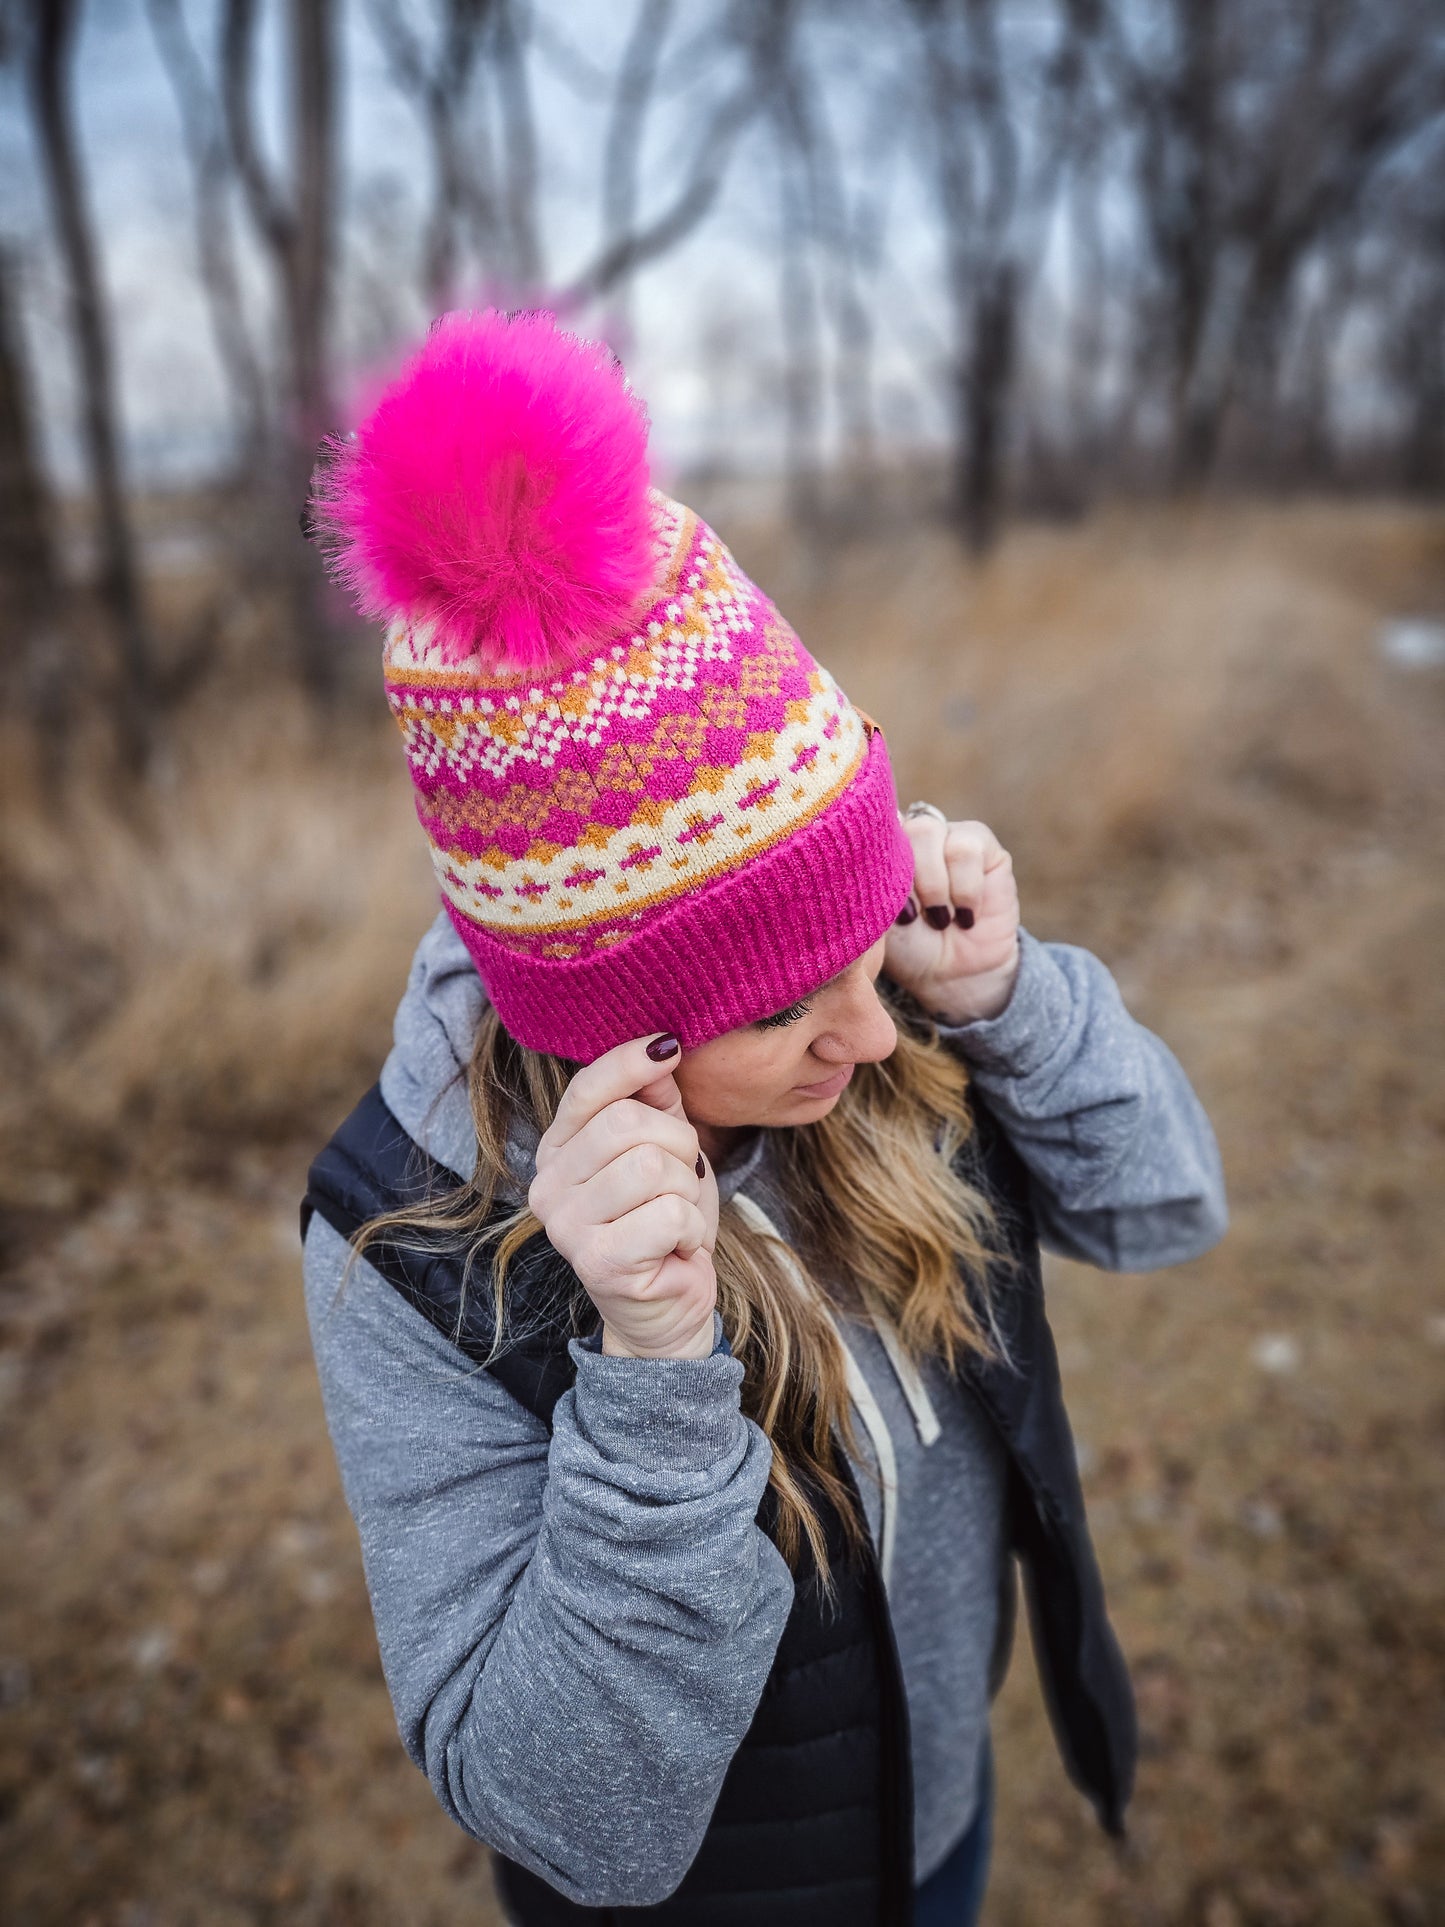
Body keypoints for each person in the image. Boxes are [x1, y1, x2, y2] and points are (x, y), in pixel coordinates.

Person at [298, 309, 1228, 1927]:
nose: (867, 1039)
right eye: (786, 1007)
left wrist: (1014, 1001)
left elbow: (1164, 1211)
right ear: (610, 1039)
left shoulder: (902, 1027)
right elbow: (573, 1823)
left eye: (862, 946)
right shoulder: (404, 1241)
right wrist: (653, 1371)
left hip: (937, 1816)